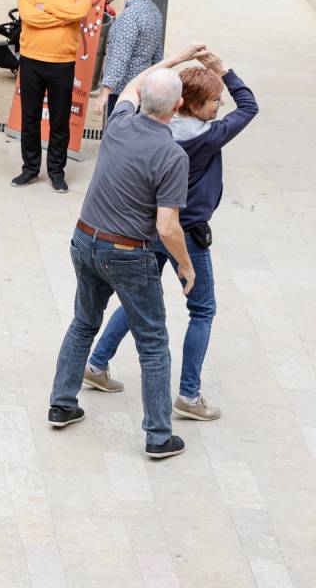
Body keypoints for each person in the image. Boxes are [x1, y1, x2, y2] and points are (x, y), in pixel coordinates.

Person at [47, 44, 207, 460]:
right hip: (126, 253)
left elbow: (135, 85)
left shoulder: (118, 122)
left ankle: (62, 403)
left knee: (84, 322)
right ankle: (158, 435)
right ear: (177, 107)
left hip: (84, 240)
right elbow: (167, 226)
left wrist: (172, 60)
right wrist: (186, 267)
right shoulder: (172, 155)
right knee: (153, 342)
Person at [85, 52, 257, 421]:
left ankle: (97, 363)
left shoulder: (161, 130)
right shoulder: (210, 136)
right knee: (203, 310)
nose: (221, 104)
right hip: (185, 233)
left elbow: (137, 89)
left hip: (153, 226)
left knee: (141, 302)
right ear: (191, 105)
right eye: (214, 101)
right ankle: (189, 395)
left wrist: (186, 61)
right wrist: (224, 69)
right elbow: (249, 105)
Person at [13, 0, 92, 193]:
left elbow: (80, 11)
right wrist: (63, 16)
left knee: (59, 120)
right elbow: (28, 15)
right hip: (32, 60)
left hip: (63, 63)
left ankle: (57, 172)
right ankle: (30, 169)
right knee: (30, 118)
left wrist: (46, 7)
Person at [98, 0, 164, 119]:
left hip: (123, 93)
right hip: (143, 90)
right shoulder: (154, 11)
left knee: (117, 137)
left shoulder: (130, 17)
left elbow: (120, 57)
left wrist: (105, 91)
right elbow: (158, 56)